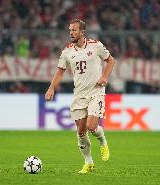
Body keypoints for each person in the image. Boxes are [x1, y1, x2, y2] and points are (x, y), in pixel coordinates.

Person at [45, 19, 115, 174]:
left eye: (74, 30)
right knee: (81, 131)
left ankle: (103, 142)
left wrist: (104, 77)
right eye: (70, 30)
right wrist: (51, 88)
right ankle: (88, 162)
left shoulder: (96, 45)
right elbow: (60, 71)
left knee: (91, 126)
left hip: (96, 92)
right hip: (79, 95)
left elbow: (111, 60)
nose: (71, 33)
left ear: (82, 32)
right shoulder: (67, 52)